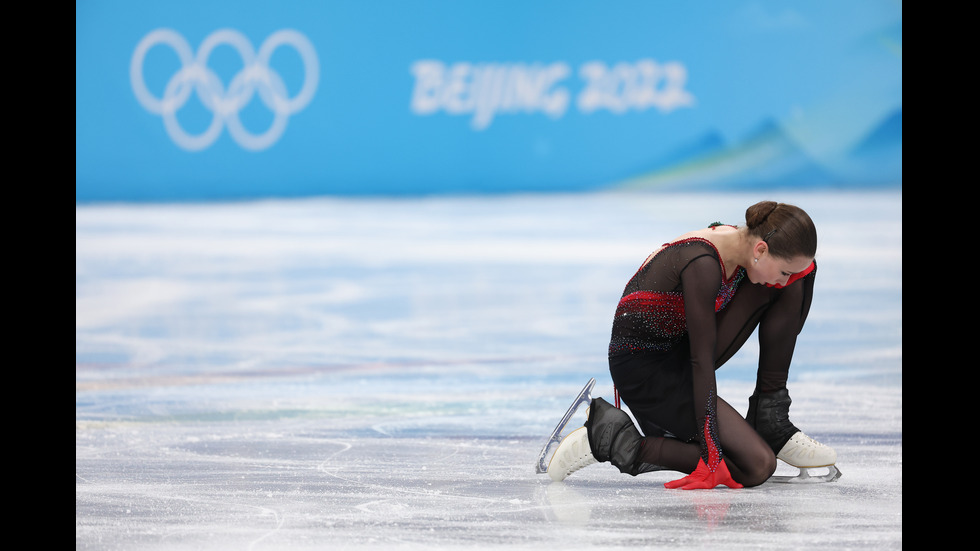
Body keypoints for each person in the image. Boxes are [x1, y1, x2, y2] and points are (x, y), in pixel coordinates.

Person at [547, 200, 837, 489]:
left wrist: (790, 273)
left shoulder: (741, 243)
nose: (783, 281)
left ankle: (769, 416)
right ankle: (613, 440)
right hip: (646, 373)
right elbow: (700, 362)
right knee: (756, 466)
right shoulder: (703, 264)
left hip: (676, 352)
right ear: (761, 249)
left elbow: (697, 355)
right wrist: (711, 455)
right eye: (783, 272)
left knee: (804, 271)